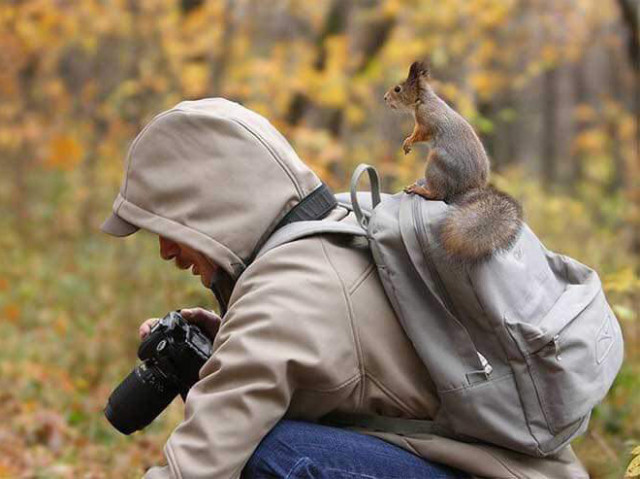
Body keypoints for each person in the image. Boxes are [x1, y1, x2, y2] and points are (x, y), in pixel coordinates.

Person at [100, 98, 588, 478]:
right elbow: (345, 363)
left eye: (168, 226)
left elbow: (199, 464)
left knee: (268, 455)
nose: (166, 250)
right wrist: (229, 338)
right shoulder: (341, 218)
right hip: (517, 468)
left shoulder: (285, 294)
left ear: (206, 206)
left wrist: (241, 346)